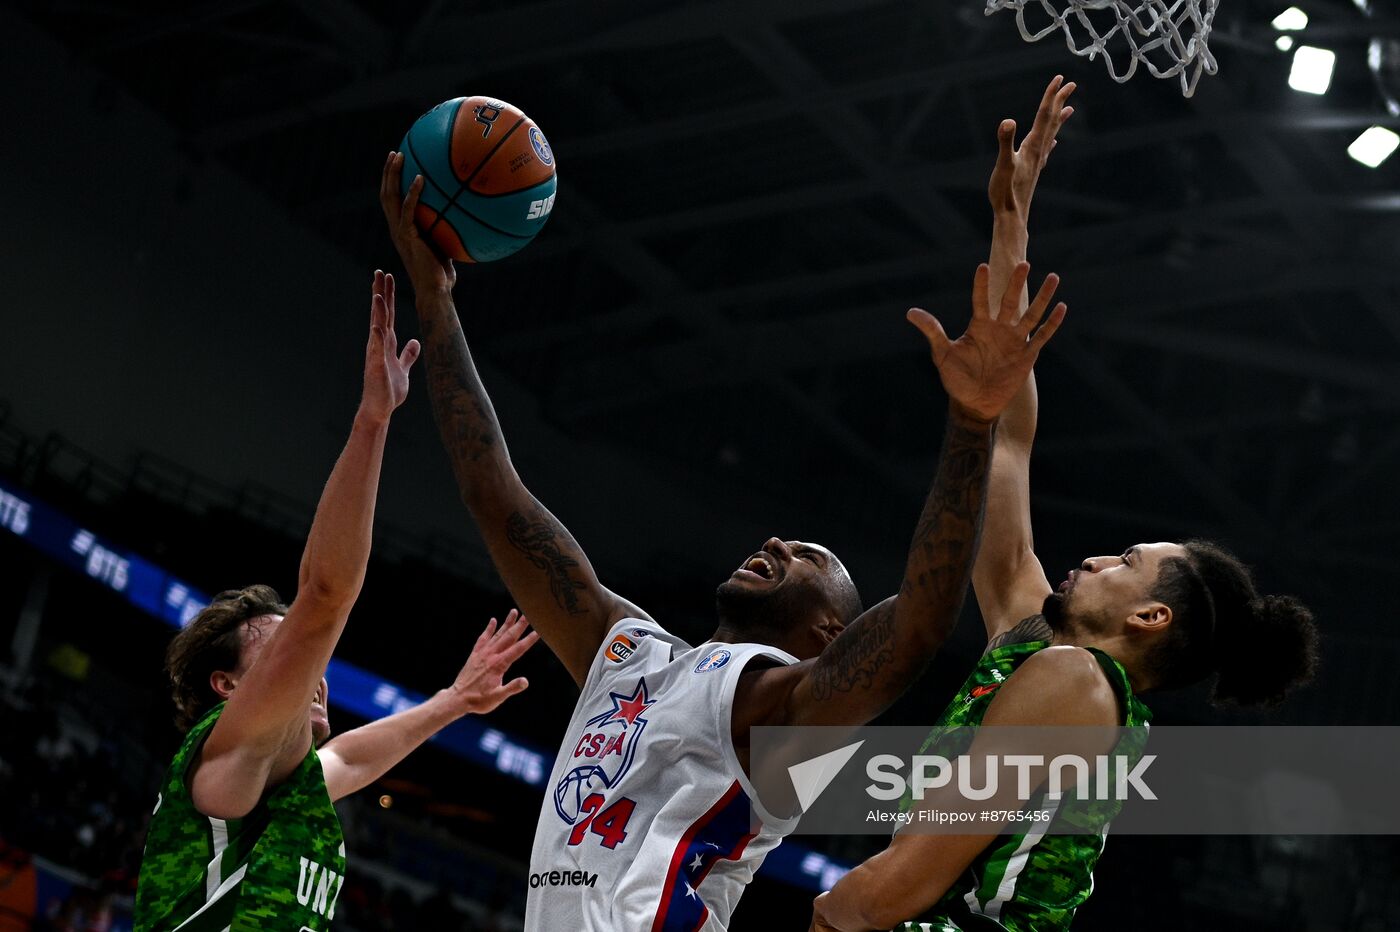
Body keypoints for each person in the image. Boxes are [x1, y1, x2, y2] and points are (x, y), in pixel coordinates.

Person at [379, 148, 1066, 930]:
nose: (778, 541)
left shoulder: (777, 707)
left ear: (827, 632)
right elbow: (495, 496)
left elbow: (915, 628)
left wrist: (972, 424)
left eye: (811, 558)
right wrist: (435, 299)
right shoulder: (622, 646)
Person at [808, 76, 1321, 932]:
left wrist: (829, 911)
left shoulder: (1077, 682)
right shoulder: (1046, 651)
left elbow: (897, 889)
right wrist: (1013, 221)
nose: (1096, 557)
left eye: (1128, 562)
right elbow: (1007, 441)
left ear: (1152, 616)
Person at [133, 271, 538, 932]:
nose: (309, 656)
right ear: (227, 684)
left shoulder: (288, 786)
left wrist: (455, 701)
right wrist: (373, 421)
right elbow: (323, 597)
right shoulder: (221, 769)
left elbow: (351, 758)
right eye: (276, 634)